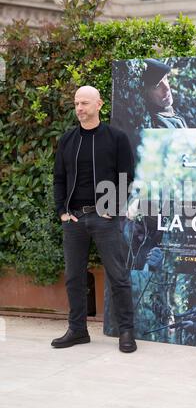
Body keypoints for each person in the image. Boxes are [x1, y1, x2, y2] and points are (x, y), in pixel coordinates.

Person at [52, 85, 137, 353]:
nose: (79, 108)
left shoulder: (116, 138)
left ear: (99, 105)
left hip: (104, 218)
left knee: (118, 276)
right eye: (77, 103)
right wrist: (62, 212)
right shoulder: (67, 139)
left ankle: (126, 332)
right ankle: (77, 330)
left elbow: (127, 175)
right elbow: (59, 178)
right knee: (73, 277)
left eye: (85, 103)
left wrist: (112, 206)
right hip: (74, 219)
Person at [142, 59, 188, 128]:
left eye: (165, 78)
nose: (166, 88)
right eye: (157, 86)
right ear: (146, 93)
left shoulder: (168, 111)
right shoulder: (159, 124)